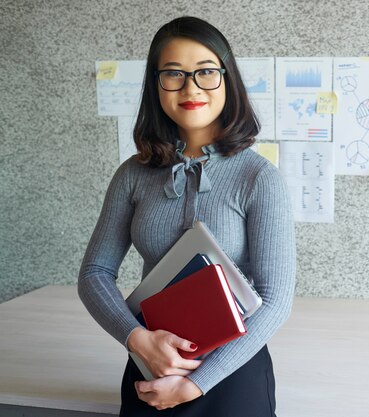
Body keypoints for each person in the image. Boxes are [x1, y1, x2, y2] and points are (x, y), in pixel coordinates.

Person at [78, 16, 296, 416]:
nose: (191, 87)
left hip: (233, 372)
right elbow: (94, 272)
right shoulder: (133, 174)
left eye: (206, 72)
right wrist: (136, 339)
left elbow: (276, 300)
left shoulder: (258, 177)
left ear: (227, 80)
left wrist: (196, 383)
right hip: (150, 367)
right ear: (155, 84)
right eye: (174, 73)